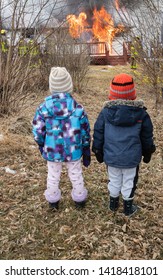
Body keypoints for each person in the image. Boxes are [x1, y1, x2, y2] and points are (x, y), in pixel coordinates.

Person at [92, 73, 156, 217]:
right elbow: (146, 136)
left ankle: (113, 203)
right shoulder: (141, 114)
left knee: (114, 179)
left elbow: (98, 132)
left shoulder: (105, 113)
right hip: (131, 158)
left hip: (112, 156)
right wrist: (148, 151)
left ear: (112, 94)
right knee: (129, 181)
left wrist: (97, 149)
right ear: (132, 94)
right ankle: (128, 207)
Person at [32, 67, 91, 210]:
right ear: (69, 86)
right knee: (76, 173)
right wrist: (85, 146)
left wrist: (41, 143)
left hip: (53, 150)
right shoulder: (77, 108)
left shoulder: (43, 108)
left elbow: (38, 130)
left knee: (53, 174)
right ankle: (79, 198)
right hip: (74, 149)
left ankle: (53, 201)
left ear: (52, 86)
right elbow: (85, 130)